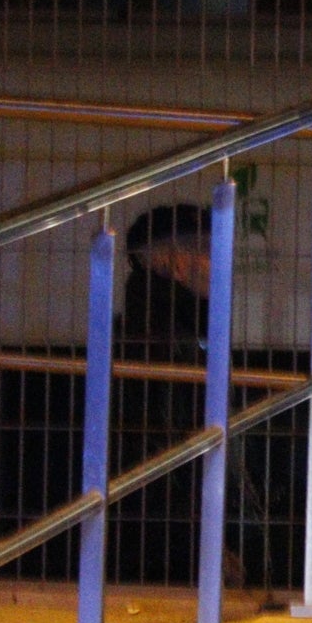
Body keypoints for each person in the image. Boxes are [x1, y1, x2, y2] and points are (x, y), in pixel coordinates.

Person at [110, 203, 222, 584]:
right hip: (167, 544)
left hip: (159, 534)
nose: (217, 264)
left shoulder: (162, 327)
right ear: (172, 261)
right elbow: (170, 450)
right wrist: (205, 544)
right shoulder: (166, 341)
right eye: (207, 251)